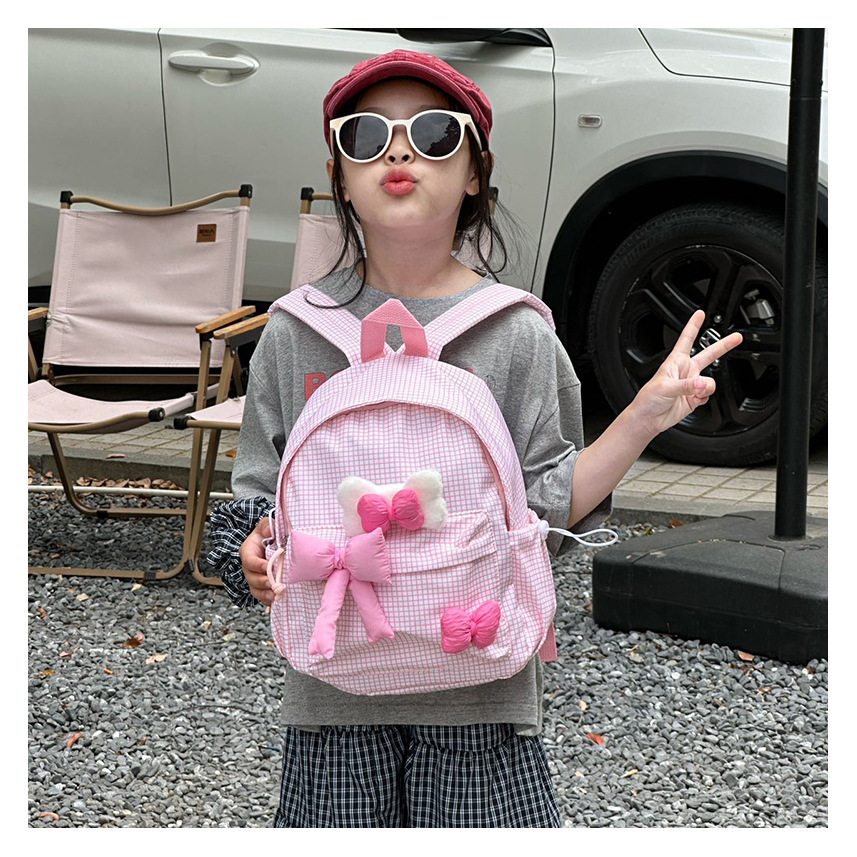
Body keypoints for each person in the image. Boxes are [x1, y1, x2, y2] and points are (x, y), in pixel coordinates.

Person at [207, 49, 742, 829]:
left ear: (474, 174)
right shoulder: (296, 332)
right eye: (365, 136)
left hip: (479, 683)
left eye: (433, 134)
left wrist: (641, 418)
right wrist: (253, 551)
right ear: (339, 176)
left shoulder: (516, 334)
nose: (397, 151)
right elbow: (257, 494)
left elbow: (546, 513)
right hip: (332, 687)